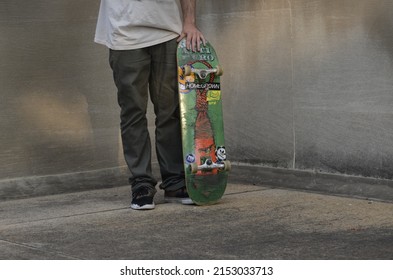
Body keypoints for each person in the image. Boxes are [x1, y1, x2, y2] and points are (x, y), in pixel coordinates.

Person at [94, 0, 206, 210]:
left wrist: (189, 21)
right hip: (124, 33)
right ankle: (141, 184)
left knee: (170, 111)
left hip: (168, 30)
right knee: (133, 112)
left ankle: (174, 182)